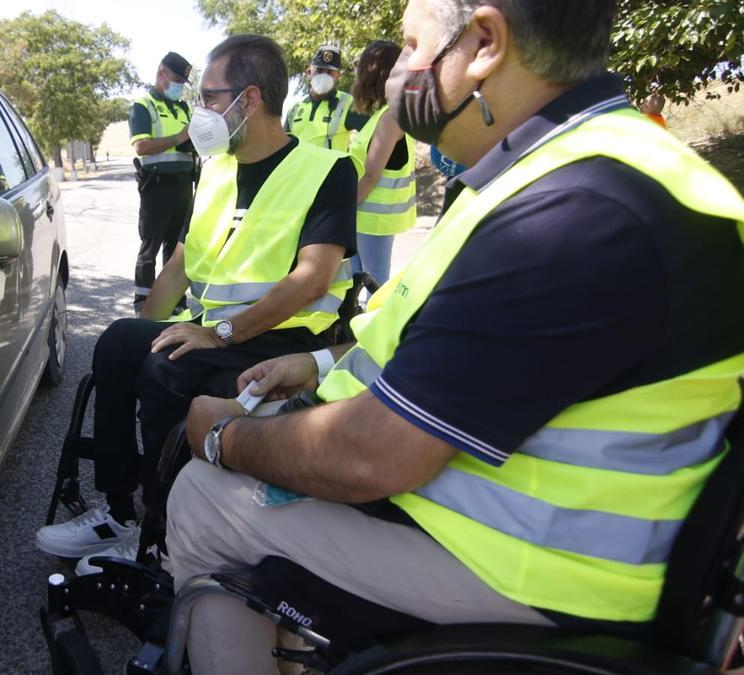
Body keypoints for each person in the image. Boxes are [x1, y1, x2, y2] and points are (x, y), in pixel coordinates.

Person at [167, 1, 744, 673]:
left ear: (486, 44)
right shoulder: (582, 170)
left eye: (413, 48)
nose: (394, 74)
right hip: (527, 542)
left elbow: (371, 457)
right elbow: (446, 342)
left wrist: (220, 435)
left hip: (537, 575)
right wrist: (323, 362)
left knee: (202, 497)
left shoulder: (575, 210)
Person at [35, 35, 359, 575]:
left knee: (167, 367)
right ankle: (119, 510)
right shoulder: (216, 170)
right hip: (214, 331)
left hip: (282, 340)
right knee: (118, 343)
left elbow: (311, 280)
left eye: (209, 97)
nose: (200, 110)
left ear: (249, 100)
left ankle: (161, 539)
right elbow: (182, 263)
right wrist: (142, 330)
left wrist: (220, 333)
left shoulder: (328, 170)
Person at [129, 51, 197, 312]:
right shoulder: (143, 105)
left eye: (183, 81)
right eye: (177, 79)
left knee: (176, 250)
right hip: (156, 186)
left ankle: (174, 305)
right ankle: (143, 304)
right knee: (150, 249)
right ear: (161, 74)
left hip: (183, 185)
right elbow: (142, 146)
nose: (180, 85)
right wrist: (178, 138)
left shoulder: (182, 107)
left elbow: (188, 140)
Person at [348, 40, 418, 286]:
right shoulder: (385, 115)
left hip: (371, 220)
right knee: (354, 285)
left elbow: (371, 175)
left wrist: (341, 211)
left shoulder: (390, 118)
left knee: (375, 286)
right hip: (365, 218)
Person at [283, 43, 370, 151]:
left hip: (333, 168)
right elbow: (283, 147)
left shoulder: (348, 104)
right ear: (309, 73)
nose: (324, 76)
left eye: (329, 73)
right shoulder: (295, 108)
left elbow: (373, 137)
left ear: (338, 76)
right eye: (319, 71)